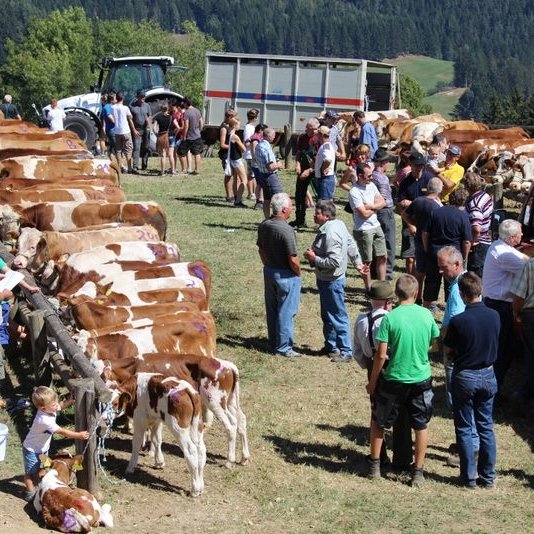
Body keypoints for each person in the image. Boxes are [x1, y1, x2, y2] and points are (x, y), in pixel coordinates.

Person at [366, 274, 439, 486]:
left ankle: (375, 465)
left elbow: (380, 355)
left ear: (396, 295)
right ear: (416, 293)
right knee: (420, 425)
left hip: (394, 379)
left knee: (379, 421)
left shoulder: (390, 318)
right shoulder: (426, 315)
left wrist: (372, 382)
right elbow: (434, 344)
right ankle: (418, 471)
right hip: (421, 378)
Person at [443, 272, 500, 489]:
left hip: (465, 376)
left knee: (466, 427)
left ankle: (468, 478)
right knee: (486, 426)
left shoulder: (459, 321)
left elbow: (448, 348)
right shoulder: (494, 315)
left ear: (462, 294)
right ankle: (488, 477)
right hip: (488, 373)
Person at [354, 281, 414, 469]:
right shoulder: (393, 319)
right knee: (402, 413)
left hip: (373, 366)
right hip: (395, 367)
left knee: (377, 413)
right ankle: (403, 459)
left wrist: (368, 366)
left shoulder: (361, 320)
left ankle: (378, 455)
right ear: (389, 301)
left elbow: (357, 351)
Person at [304, 200, 367, 363]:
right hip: (327, 279)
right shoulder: (338, 224)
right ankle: (331, 346)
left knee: (337, 315)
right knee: (327, 314)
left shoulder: (331, 234)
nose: (314, 215)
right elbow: (351, 244)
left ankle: (346, 351)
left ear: (326, 216)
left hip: (331, 281)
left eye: (317, 213)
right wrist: (358, 263)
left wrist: (314, 258)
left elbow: (334, 262)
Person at [22, 386, 90, 501]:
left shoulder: (49, 408)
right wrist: (79, 435)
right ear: (42, 408)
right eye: (53, 405)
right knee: (30, 472)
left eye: (55, 403)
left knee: (42, 468)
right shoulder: (43, 420)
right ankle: (30, 492)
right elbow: (62, 432)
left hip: (43, 448)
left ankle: (39, 485)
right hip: (31, 449)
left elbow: (60, 406)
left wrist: (69, 401)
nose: (56, 406)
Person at [482, 219, 528, 390]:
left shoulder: (499, 247)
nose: (522, 234)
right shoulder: (505, 255)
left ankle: (495, 388)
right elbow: (529, 266)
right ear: (511, 238)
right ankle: (492, 391)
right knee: (501, 350)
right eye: (520, 233)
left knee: (506, 349)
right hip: (499, 307)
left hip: (497, 304)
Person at [257, 193, 301, 357]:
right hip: (286, 275)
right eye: (290, 207)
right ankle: (284, 347)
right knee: (286, 311)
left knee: (273, 308)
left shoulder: (264, 225)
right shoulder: (287, 230)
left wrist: (267, 264)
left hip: (269, 270)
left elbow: (260, 249)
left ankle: (274, 341)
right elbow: (293, 258)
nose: (292, 209)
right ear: (283, 210)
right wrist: (298, 273)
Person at [422, 187, 472, 309]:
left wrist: (427, 249)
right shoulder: (462, 216)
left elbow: (425, 233)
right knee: (453, 282)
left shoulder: (436, 211)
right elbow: (466, 241)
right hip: (452, 255)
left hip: (435, 251)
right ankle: (451, 307)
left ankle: (427, 306)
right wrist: (464, 258)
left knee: (431, 280)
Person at [402, 177, 443, 302]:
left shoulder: (418, 201)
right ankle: (429, 300)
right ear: (439, 190)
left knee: (420, 272)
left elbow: (405, 214)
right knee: (432, 274)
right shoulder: (437, 207)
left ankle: (418, 297)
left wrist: (414, 224)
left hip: (419, 239)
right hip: (432, 242)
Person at [348, 161, 387, 290]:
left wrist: (371, 206)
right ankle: (369, 289)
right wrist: (376, 207)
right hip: (363, 230)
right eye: (368, 175)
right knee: (367, 262)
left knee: (382, 256)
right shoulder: (354, 192)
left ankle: (382, 287)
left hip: (376, 225)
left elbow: (383, 201)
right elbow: (363, 214)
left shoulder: (371, 186)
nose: (372, 178)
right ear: (359, 175)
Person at [396, 152, 434, 276]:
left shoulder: (430, 180)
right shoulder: (405, 183)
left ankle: (422, 279)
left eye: (421, 165)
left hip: (427, 223)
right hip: (409, 221)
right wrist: (410, 225)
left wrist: (411, 202)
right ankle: (411, 282)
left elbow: (433, 201)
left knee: (426, 255)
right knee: (410, 257)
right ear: (410, 165)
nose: (418, 168)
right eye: (416, 165)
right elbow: (401, 206)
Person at [511, 257, 534, 412]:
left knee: (531, 358)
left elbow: (518, 296)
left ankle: (526, 398)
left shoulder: (530, 265)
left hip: (531, 316)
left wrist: (516, 313)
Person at [371, 148, 396, 280]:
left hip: (375, 211)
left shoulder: (372, 176)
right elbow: (385, 198)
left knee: (376, 241)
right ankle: (387, 272)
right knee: (389, 242)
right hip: (385, 211)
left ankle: (374, 270)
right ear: (383, 163)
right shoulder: (383, 179)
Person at [290, 118, 319, 229]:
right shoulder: (302, 137)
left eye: (308, 127)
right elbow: (298, 152)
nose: (306, 129)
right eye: (306, 126)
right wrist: (297, 164)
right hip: (303, 167)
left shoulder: (318, 139)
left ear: (315, 129)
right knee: (299, 195)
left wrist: (309, 170)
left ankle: (320, 221)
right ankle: (300, 220)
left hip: (315, 170)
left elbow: (318, 157)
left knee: (319, 195)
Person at [464, 172, 494, 277]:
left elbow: (476, 228)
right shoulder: (485, 195)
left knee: (474, 277)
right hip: (486, 240)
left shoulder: (475, 203)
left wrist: (472, 242)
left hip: (479, 245)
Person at [255, 127, 284, 219]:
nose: (274, 137)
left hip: (262, 175)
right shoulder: (266, 147)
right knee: (279, 199)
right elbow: (270, 166)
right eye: (274, 135)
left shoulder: (259, 145)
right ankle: (278, 220)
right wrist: (279, 165)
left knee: (267, 200)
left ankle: (267, 219)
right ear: (270, 136)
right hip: (270, 177)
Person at [112, 91, 138, 174]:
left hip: (117, 131)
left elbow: (111, 117)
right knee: (128, 149)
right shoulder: (125, 108)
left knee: (118, 150)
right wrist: (134, 130)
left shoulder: (113, 107)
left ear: (116, 98)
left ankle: (119, 167)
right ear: (123, 98)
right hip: (126, 131)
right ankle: (129, 168)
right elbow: (130, 119)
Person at [226, 117, 248, 208]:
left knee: (236, 178)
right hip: (237, 159)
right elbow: (244, 148)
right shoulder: (235, 136)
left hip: (232, 159)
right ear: (234, 125)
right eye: (238, 124)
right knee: (244, 180)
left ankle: (236, 197)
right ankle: (238, 201)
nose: (239, 126)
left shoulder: (229, 134)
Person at [177, 97, 203, 175]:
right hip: (197, 136)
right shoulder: (197, 110)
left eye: (183, 103)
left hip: (189, 137)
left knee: (180, 153)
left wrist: (184, 136)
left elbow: (186, 126)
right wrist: (199, 130)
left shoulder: (187, 112)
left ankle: (184, 169)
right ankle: (197, 169)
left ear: (185, 103)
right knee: (197, 153)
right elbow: (201, 122)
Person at [129, 90, 152, 173]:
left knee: (146, 147)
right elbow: (130, 119)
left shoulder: (147, 106)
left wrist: (149, 124)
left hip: (146, 129)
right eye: (142, 96)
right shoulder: (132, 106)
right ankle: (135, 166)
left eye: (144, 96)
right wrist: (133, 130)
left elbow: (149, 116)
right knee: (137, 147)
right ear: (137, 97)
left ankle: (144, 165)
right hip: (137, 129)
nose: (143, 98)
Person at [219, 109, 238, 201]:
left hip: (233, 154)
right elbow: (222, 145)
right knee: (228, 174)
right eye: (234, 117)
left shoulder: (232, 127)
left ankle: (236, 194)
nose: (236, 119)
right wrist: (234, 146)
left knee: (236, 174)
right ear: (229, 117)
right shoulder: (224, 128)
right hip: (226, 155)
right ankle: (229, 195)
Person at [314, 126, 336, 200]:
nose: (317, 136)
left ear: (322, 135)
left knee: (325, 204)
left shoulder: (326, 146)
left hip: (326, 179)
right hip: (325, 179)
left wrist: (324, 168)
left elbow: (328, 159)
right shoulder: (326, 145)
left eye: (318, 134)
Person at [152, 105, 174, 176]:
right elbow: (176, 126)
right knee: (171, 155)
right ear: (167, 109)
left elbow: (154, 128)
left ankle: (162, 172)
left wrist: (156, 135)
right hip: (169, 136)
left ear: (161, 109)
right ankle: (173, 171)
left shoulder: (158, 117)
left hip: (161, 136)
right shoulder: (171, 117)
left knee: (163, 154)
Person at [243, 108, 259, 202]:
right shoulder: (248, 128)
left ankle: (254, 192)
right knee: (250, 175)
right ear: (255, 118)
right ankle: (250, 193)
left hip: (253, 154)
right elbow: (246, 143)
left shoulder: (251, 127)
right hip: (249, 154)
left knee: (254, 175)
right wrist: (254, 141)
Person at [101, 93, 116, 162]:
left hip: (115, 130)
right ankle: (114, 162)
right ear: (112, 99)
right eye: (115, 98)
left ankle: (113, 162)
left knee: (114, 147)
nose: (116, 100)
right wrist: (117, 123)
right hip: (111, 130)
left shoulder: (113, 106)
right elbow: (109, 117)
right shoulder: (106, 107)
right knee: (114, 147)